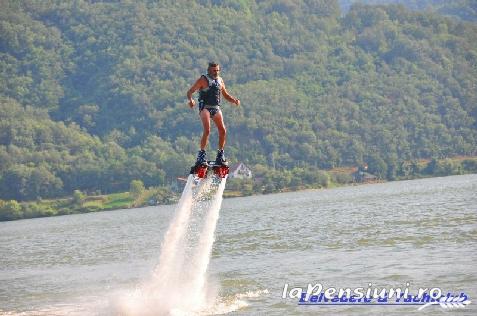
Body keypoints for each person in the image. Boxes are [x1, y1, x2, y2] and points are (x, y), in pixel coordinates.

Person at [187, 62, 240, 166]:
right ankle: (201, 154)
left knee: (223, 130)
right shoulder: (203, 79)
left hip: (215, 108)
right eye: (214, 70)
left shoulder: (220, 80)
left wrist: (234, 100)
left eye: (217, 70)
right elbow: (190, 91)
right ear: (209, 70)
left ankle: (220, 154)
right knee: (207, 130)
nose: (216, 72)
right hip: (205, 108)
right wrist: (191, 100)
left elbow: (225, 95)